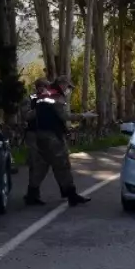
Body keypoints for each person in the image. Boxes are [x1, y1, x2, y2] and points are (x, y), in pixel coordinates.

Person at [25, 75, 91, 207]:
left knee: (41, 166)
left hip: (41, 135)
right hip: (52, 137)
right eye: (67, 86)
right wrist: (83, 115)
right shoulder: (55, 96)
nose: (68, 89)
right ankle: (71, 195)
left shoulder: (44, 96)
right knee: (62, 165)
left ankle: (32, 194)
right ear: (61, 84)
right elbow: (64, 116)